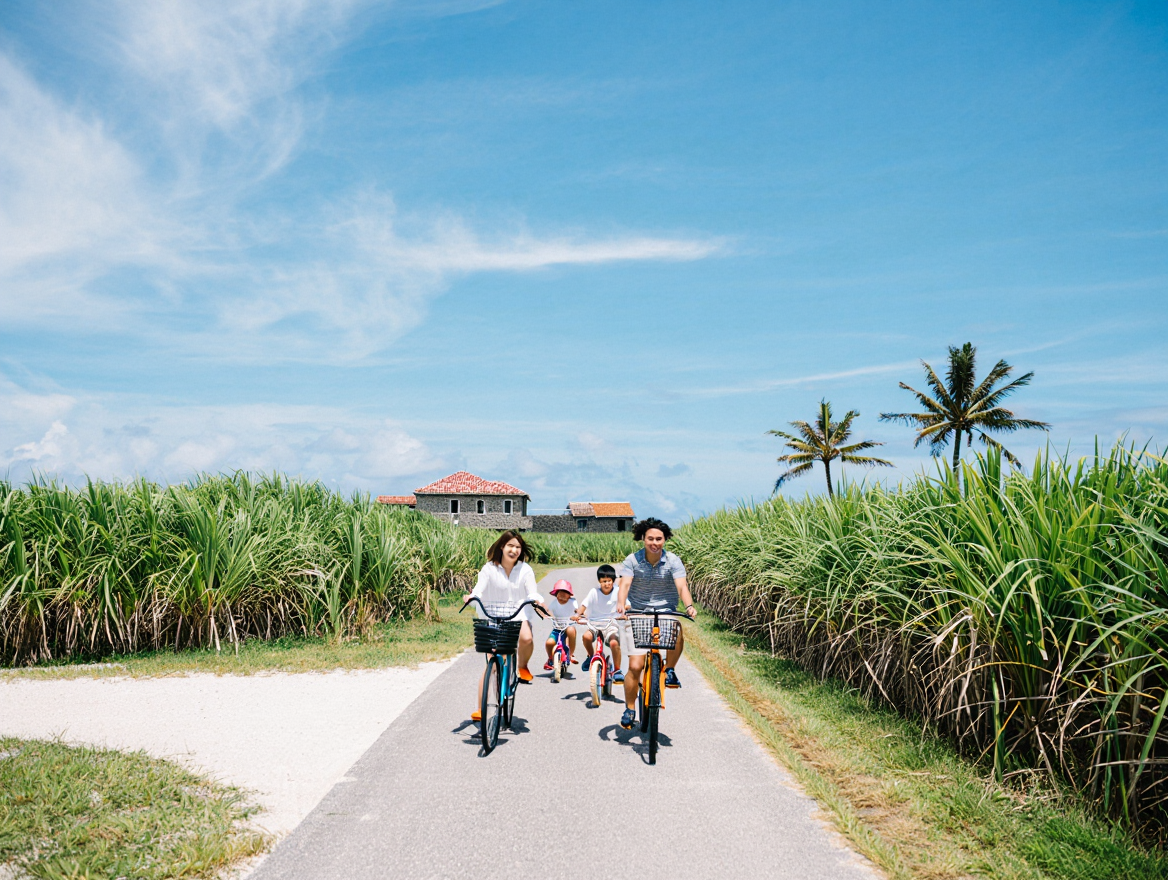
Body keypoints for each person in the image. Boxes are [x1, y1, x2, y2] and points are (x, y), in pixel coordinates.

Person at [615, 517, 696, 730]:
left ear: (665, 540)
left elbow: (682, 586)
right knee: (635, 666)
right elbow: (624, 584)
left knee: (677, 630)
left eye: (659, 539)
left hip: (666, 610)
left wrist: (688, 606)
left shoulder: (673, 561)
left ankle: (669, 669)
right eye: (650, 538)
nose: (655, 543)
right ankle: (630, 708)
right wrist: (621, 605)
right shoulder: (632, 560)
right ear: (643, 539)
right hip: (639, 612)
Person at [465, 531, 549, 722]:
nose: (514, 550)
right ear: (502, 546)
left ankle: (522, 666)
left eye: (518, 547)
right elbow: (479, 589)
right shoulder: (489, 569)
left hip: (517, 614)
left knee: (526, 638)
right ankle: (480, 708)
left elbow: (532, 592)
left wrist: (537, 601)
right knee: (492, 664)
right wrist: (471, 597)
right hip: (493, 615)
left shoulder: (525, 569)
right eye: (510, 546)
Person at [575, 563, 624, 683]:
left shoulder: (618, 591)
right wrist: (578, 615)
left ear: (613, 581)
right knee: (586, 637)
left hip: (610, 623)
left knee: (613, 643)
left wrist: (622, 609)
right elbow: (584, 605)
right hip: (594, 622)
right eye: (603, 581)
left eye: (609, 581)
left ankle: (617, 670)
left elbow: (626, 604)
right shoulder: (594, 592)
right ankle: (591, 656)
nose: (606, 584)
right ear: (599, 581)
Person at [543, 579, 578, 670]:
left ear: (569, 595)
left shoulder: (573, 602)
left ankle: (570, 654)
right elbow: (549, 611)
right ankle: (550, 658)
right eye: (559, 593)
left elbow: (578, 611)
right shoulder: (554, 603)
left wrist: (578, 615)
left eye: (565, 593)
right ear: (556, 594)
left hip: (568, 626)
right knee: (549, 642)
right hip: (557, 628)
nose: (562, 596)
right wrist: (548, 616)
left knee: (571, 631)